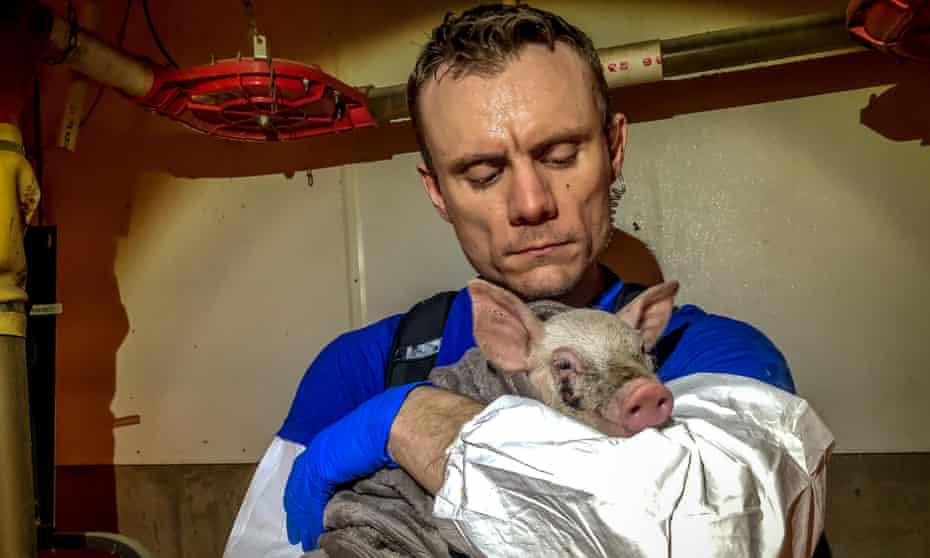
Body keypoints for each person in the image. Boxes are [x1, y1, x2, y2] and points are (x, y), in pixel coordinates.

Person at [223, 4, 797, 556]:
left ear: (615, 149)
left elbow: (717, 535)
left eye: (561, 155)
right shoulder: (360, 369)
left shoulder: (718, 360)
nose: (530, 203)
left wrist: (419, 423)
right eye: (483, 173)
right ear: (437, 193)